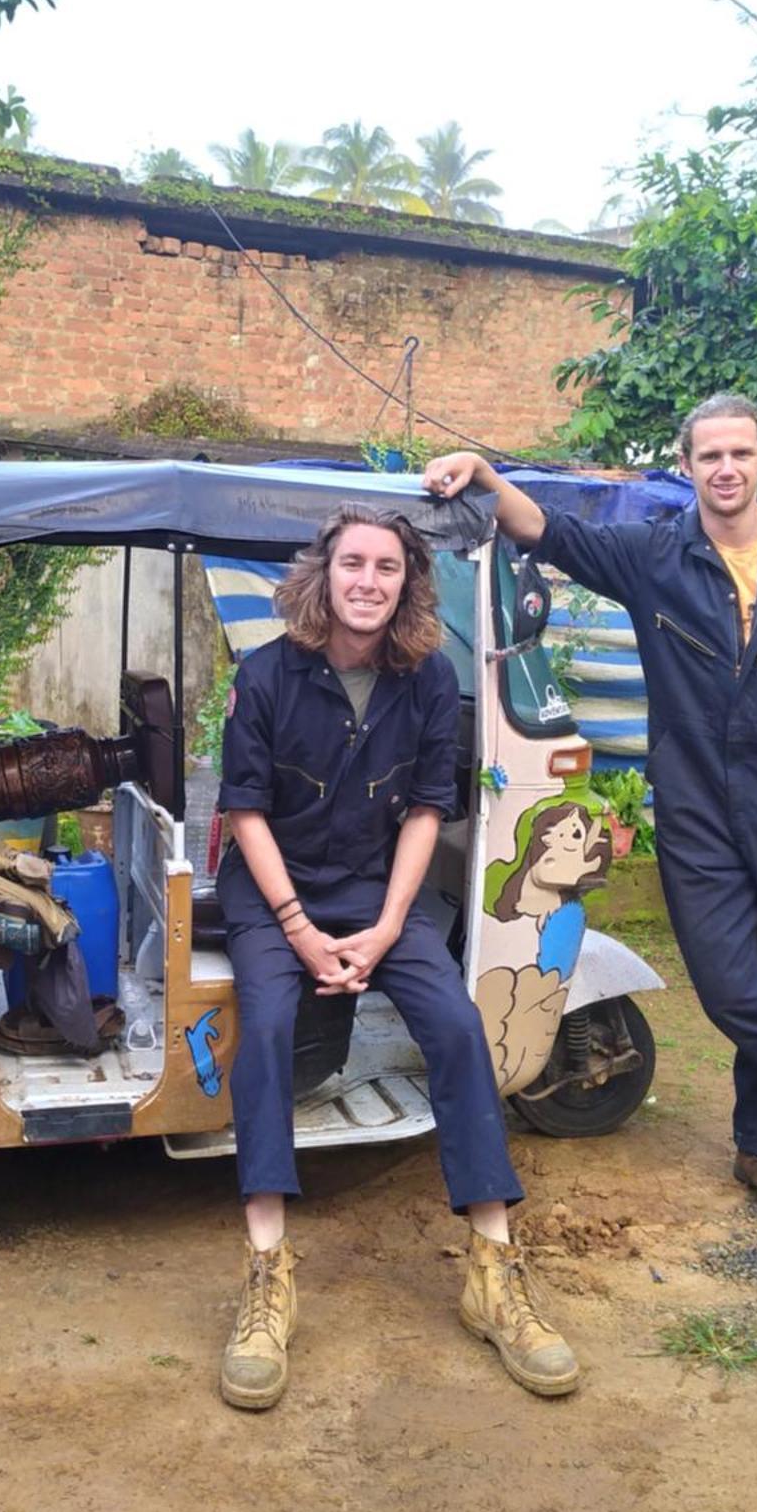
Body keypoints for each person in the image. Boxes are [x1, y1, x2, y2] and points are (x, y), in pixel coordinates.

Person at [423, 395, 757, 1221]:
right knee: (731, 985)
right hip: (695, 806)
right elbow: (551, 532)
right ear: (686, 466)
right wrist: (484, 474)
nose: (724, 469)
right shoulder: (654, 554)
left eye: (739, 453)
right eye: (707, 457)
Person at [215, 502, 578, 1408]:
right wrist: (299, 931)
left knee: (457, 1025)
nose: (368, 581)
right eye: (353, 565)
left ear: (407, 583)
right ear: (322, 575)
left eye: (387, 567)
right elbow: (247, 813)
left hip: (381, 893)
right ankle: (266, 1274)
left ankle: (494, 1273)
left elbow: (424, 811)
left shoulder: (427, 679)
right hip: (272, 892)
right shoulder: (265, 677)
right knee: (263, 1026)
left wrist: (384, 929)